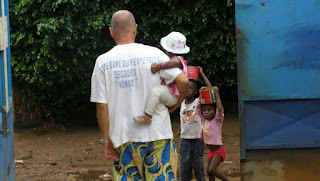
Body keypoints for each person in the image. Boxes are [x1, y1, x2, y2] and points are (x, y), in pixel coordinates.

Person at [90, 10, 189, 180]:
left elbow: (101, 105)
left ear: (111, 31)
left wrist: (106, 141)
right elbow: (184, 81)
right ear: (135, 29)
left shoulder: (102, 62)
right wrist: (177, 103)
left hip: (123, 139)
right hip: (159, 136)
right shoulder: (154, 54)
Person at [133, 31, 189, 124]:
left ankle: (148, 116)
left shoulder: (178, 60)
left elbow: (175, 62)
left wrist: (159, 66)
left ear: (167, 51)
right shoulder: (176, 62)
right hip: (171, 94)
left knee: (156, 91)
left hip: (173, 95)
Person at [179, 67, 211, 181]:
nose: (188, 90)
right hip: (184, 141)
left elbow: (210, 89)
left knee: (198, 168)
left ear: (196, 91)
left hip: (197, 140)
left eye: (191, 88)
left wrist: (201, 74)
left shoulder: (198, 102)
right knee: (184, 169)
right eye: (186, 88)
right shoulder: (180, 102)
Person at [196, 86, 229, 181]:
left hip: (219, 151)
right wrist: (201, 95)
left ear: (214, 112)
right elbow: (198, 107)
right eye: (204, 110)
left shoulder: (217, 120)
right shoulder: (203, 120)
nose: (206, 112)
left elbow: (219, 107)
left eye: (209, 110)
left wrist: (217, 93)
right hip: (211, 152)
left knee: (212, 170)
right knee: (209, 173)